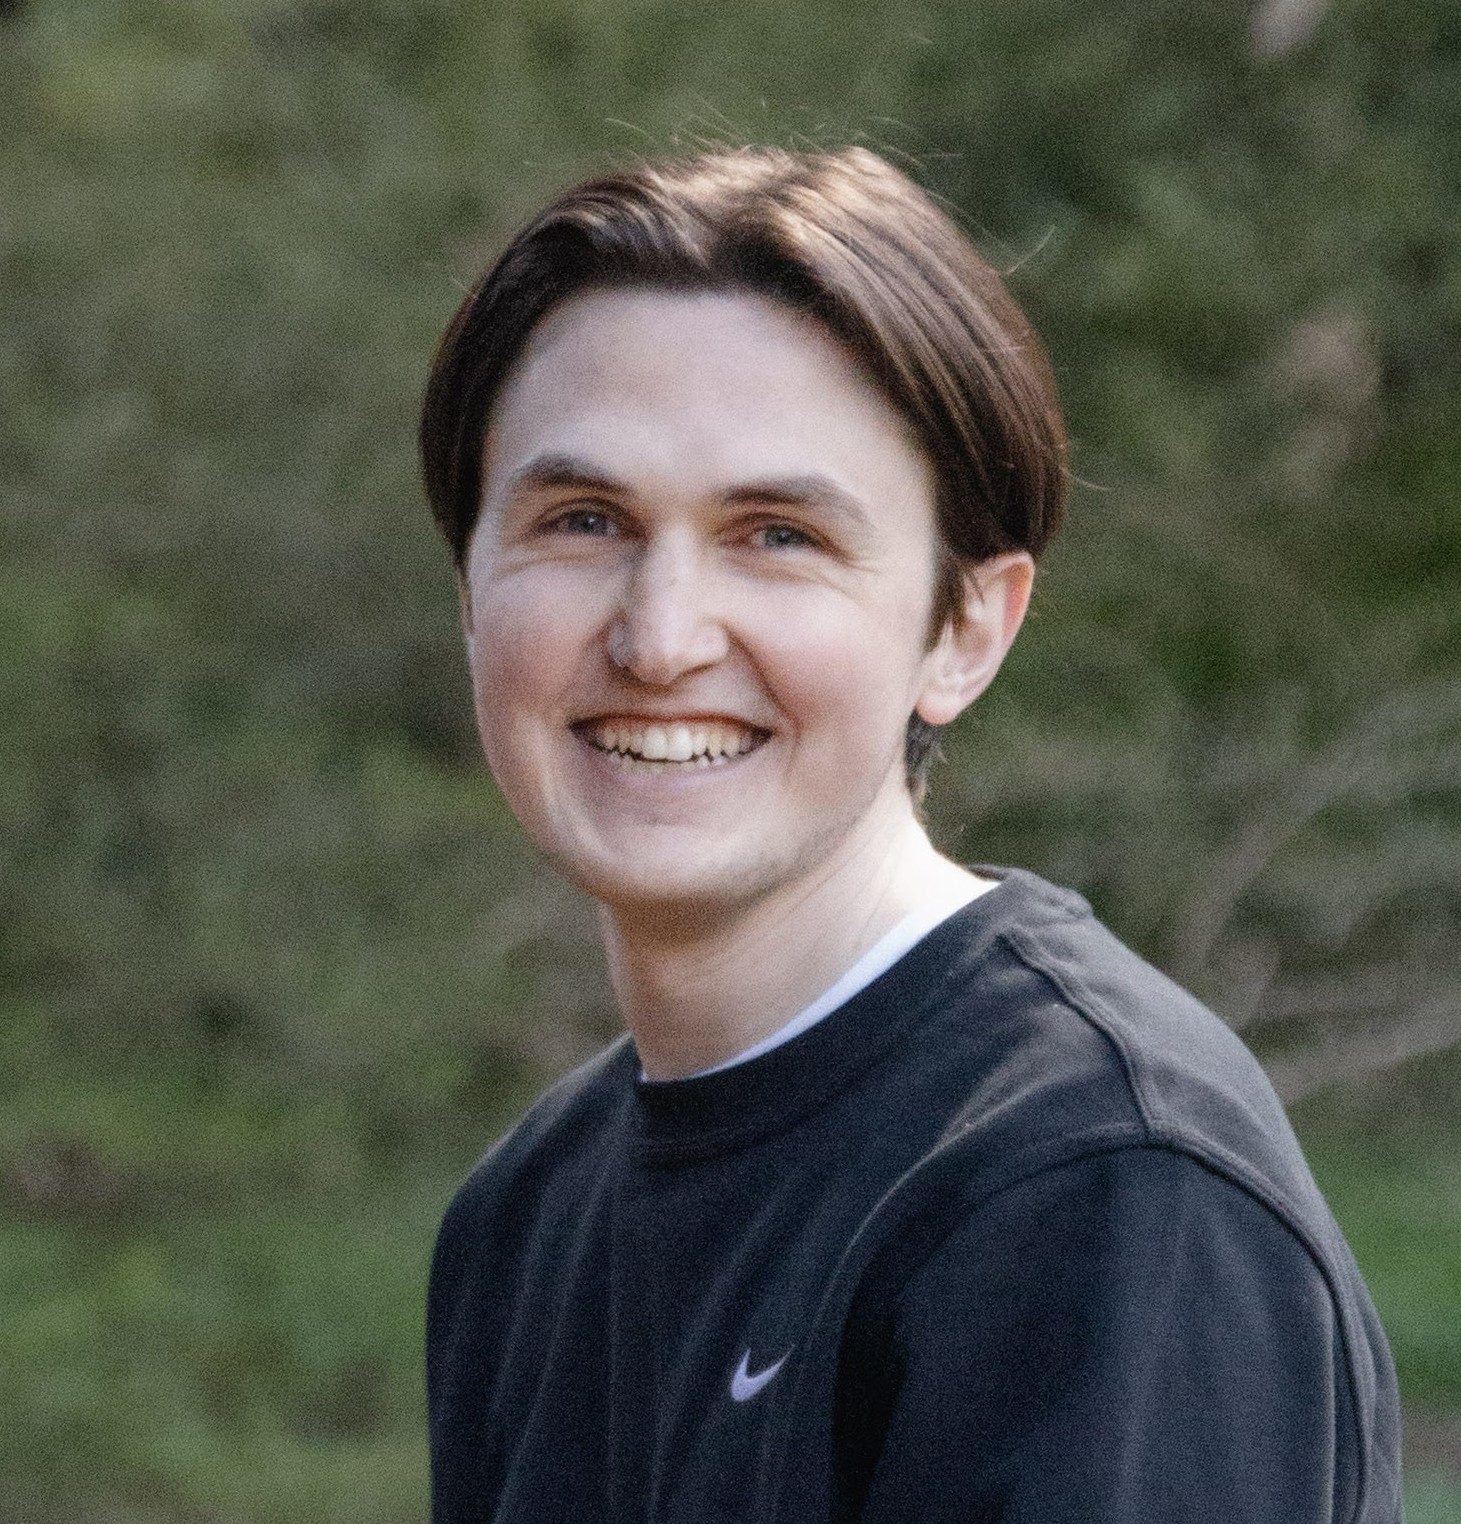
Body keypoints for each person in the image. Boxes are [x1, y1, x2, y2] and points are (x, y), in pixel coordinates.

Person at [418, 147, 1401, 1523]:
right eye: (583, 521)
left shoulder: (1095, 1189)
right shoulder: (527, 1215)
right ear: (470, 590)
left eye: (777, 535)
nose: (660, 636)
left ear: (964, 630)